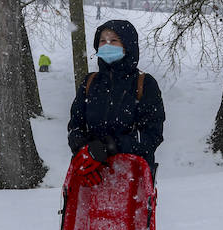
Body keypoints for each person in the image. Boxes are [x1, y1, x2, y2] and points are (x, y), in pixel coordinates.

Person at [67, 19, 166, 183]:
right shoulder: (90, 82)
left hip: (132, 180)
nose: (107, 45)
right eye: (102, 41)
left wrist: (111, 147)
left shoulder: (144, 84)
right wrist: (84, 149)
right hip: (89, 177)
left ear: (128, 45)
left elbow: (152, 135)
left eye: (113, 40)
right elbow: (76, 125)